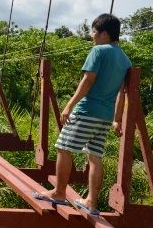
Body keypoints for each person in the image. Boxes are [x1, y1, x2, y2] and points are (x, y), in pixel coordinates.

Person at [33, 13, 132, 215]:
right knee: (95, 156)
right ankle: (91, 203)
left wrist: (69, 105)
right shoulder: (125, 59)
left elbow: (87, 81)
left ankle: (59, 193)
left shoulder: (98, 51)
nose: (92, 37)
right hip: (104, 117)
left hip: (87, 111)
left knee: (63, 147)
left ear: (104, 34)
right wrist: (116, 119)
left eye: (94, 32)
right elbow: (122, 93)